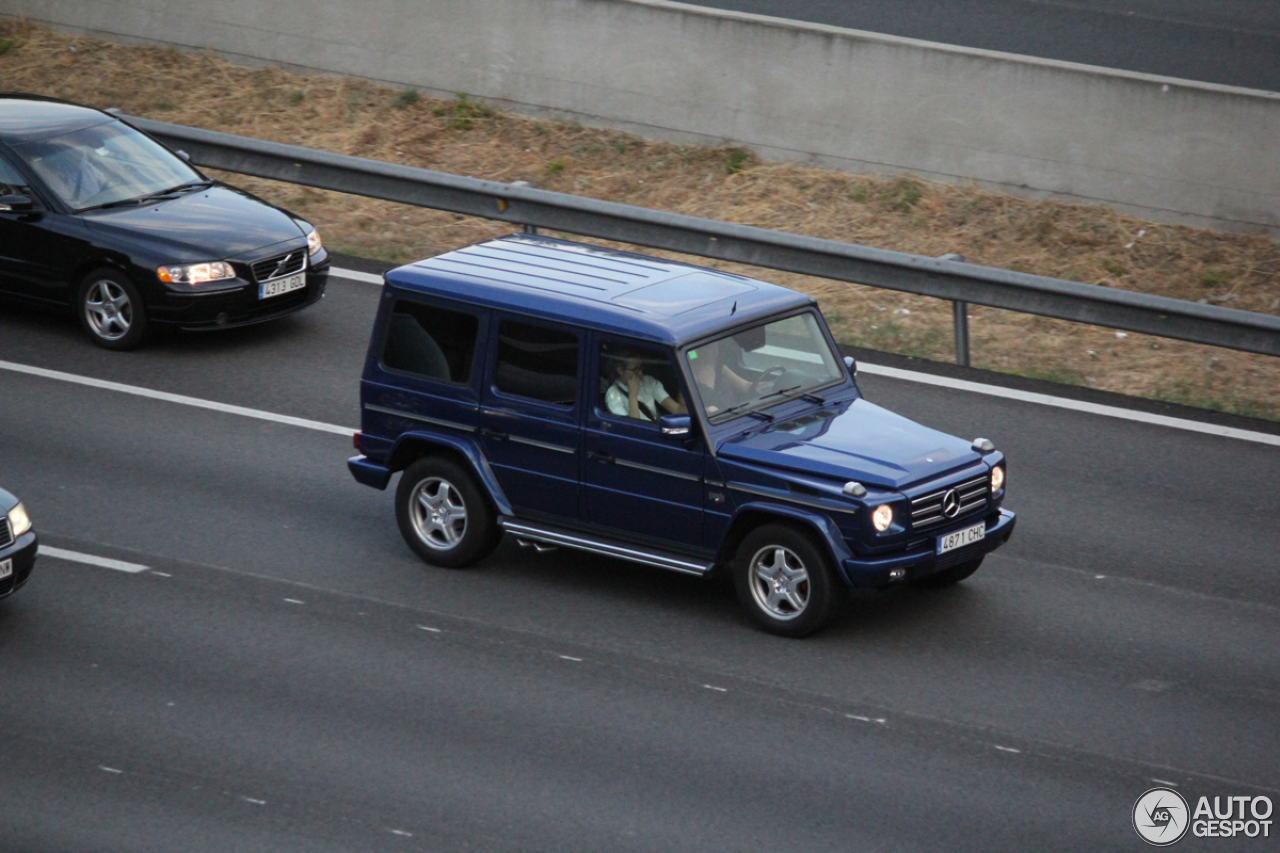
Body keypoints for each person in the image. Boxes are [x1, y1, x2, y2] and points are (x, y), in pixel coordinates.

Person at [604, 349, 686, 421]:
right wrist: (632, 395)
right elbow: (634, 428)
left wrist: (684, 385)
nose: (640, 373)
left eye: (640, 368)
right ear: (621, 371)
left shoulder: (648, 381)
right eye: (635, 370)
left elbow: (677, 409)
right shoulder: (613, 395)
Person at [687, 337, 752, 414]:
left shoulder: (719, 367)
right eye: (710, 348)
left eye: (716, 347)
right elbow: (684, 407)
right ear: (699, 350)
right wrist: (706, 410)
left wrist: (767, 385)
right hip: (717, 420)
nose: (715, 352)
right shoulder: (690, 373)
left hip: (735, 413)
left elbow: (744, 386)